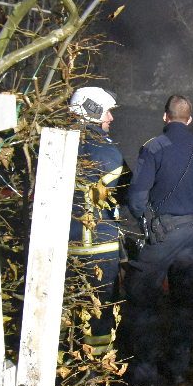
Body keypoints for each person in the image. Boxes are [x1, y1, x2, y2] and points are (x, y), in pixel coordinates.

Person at [124, 94, 193, 386]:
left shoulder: (153, 148)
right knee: (184, 304)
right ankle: (177, 370)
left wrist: (148, 221)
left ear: (166, 117)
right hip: (192, 233)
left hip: (161, 235)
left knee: (143, 301)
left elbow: (137, 198)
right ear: (189, 119)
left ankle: (144, 377)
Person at [68, 86, 129, 356]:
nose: (111, 119)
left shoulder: (55, 145)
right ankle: (96, 370)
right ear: (92, 111)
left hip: (65, 245)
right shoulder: (111, 155)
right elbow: (126, 194)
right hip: (102, 246)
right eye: (107, 112)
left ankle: (65, 364)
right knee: (100, 309)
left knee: (67, 307)